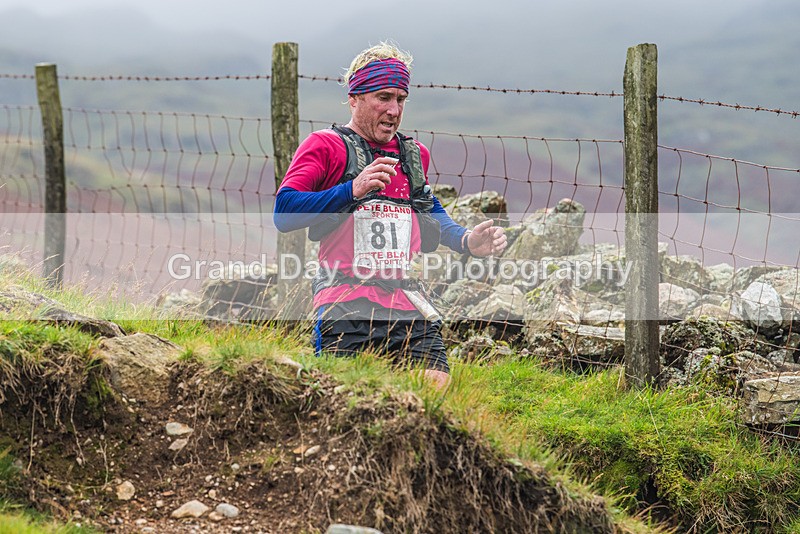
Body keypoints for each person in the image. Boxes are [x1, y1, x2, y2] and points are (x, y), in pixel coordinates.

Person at [273, 41, 506, 389]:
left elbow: (426, 207)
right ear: (354, 98)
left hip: (406, 301)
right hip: (344, 301)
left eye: (401, 99)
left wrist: (466, 241)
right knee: (349, 402)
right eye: (383, 97)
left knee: (435, 394)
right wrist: (351, 191)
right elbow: (284, 212)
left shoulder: (413, 155)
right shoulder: (325, 146)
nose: (394, 110)